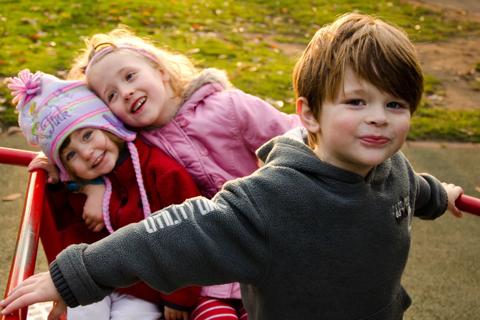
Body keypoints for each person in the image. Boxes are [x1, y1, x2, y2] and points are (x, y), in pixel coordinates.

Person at [1, 12, 465, 320]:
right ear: (308, 113)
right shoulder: (271, 198)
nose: (378, 117)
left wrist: (440, 195)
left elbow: (413, 191)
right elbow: (169, 230)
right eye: (356, 102)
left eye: (396, 103)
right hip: (237, 269)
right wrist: (74, 273)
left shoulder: (393, 168)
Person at [66, 26, 301, 319]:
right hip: (210, 277)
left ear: (160, 71)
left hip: (270, 248)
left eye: (130, 76)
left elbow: (293, 135)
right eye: (112, 95)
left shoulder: (227, 106)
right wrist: (92, 185)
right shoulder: (139, 148)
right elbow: (92, 151)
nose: (125, 93)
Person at [5, 70, 201, 320]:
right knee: (82, 312)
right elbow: (65, 232)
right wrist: (55, 184)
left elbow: (190, 234)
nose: (86, 152)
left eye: (88, 135)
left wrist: (179, 296)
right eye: (70, 155)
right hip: (96, 279)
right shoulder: (81, 186)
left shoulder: (161, 172)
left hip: (150, 289)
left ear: (108, 125)